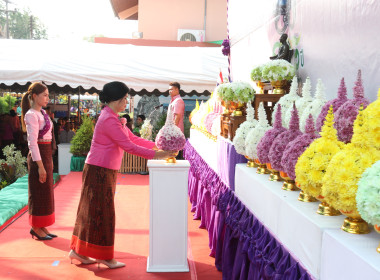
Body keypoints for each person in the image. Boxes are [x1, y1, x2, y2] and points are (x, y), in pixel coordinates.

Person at [69, 81, 176, 269]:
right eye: (125, 98)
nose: (126, 101)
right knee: (101, 213)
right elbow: (129, 147)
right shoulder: (109, 119)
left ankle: (79, 251)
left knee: (93, 212)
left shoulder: (112, 117)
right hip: (99, 171)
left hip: (102, 169)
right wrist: (159, 154)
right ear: (116, 100)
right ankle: (103, 256)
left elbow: (132, 139)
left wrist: (156, 145)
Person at [21, 82, 56, 241]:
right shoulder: (31, 115)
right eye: (45, 95)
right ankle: (35, 227)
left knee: (46, 193)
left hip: (46, 154)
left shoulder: (42, 113)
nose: (47, 98)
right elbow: (32, 143)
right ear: (35, 96)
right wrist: (41, 166)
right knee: (38, 193)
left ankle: (42, 226)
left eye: (48, 95)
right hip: (38, 157)